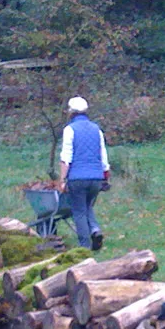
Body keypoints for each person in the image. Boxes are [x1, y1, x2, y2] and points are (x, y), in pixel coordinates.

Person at [57, 96, 111, 251]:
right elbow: (103, 155)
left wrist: (62, 180)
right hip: (96, 177)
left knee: (78, 211)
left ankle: (84, 246)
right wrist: (105, 175)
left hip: (77, 178)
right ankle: (95, 230)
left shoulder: (70, 130)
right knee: (87, 206)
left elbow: (66, 157)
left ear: (71, 113)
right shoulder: (96, 129)